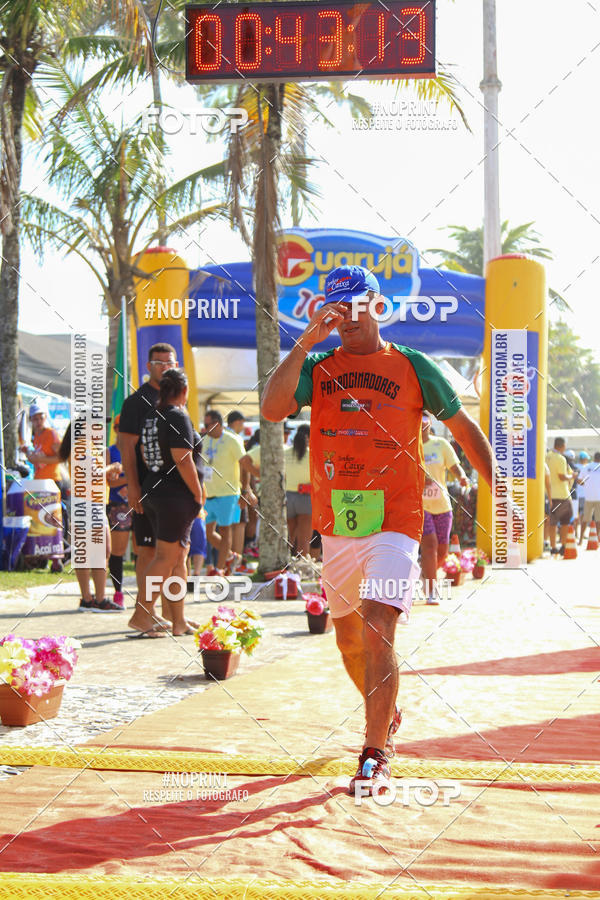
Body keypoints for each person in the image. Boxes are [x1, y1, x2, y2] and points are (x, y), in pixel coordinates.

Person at [261, 264, 494, 797]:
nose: (344, 318)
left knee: (377, 626)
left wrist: (494, 485)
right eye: (334, 308)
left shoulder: (414, 366)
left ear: (377, 306)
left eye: (353, 306)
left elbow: (462, 427)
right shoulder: (317, 365)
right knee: (348, 643)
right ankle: (385, 713)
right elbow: (272, 410)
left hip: (397, 520)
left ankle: (374, 753)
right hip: (338, 523)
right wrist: (304, 342)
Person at [119, 342, 178, 636]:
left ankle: (171, 615)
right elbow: (126, 446)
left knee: (174, 554)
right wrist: (131, 486)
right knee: (147, 552)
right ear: (148, 366)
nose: (165, 367)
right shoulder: (136, 401)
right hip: (147, 489)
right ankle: (146, 613)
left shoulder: (175, 399)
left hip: (175, 492)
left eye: (170, 363)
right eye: (159, 363)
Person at [140, 368, 203, 636]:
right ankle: (141, 613)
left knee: (179, 558)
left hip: (156, 491)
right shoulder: (177, 415)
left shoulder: (152, 416)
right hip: (174, 496)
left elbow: (147, 454)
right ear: (184, 391)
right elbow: (182, 458)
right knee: (167, 558)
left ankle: (179, 621)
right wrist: (198, 492)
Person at [58, 424, 116, 611]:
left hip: (85, 502)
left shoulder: (82, 445)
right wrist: (110, 468)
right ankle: (98, 599)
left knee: (85, 552)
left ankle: (88, 598)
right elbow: (92, 474)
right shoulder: (83, 444)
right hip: (88, 503)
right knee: (101, 551)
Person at [420, 413, 468, 606]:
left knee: (442, 550)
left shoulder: (441, 444)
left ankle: (426, 574)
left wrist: (462, 476)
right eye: (418, 419)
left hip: (442, 505)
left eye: (425, 420)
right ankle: (432, 590)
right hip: (420, 505)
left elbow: (454, 466)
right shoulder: (409, 445)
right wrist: (420, 481)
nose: (422, 423)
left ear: (429, 422)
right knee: (429, 545)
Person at [202, 410, 257, 574]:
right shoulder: (204, 441)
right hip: (208, 493)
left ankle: (219, 569)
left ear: (217, 424)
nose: (204, 429)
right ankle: (231, 556)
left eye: (207, 425)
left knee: (225, 530)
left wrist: (244, 491)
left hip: (228, 492)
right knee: (209, 533)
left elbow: (244, 466)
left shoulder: (232, 440)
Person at [105, 414, 131, 610]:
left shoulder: (137, 450)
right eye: (118, 428)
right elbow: (110, 482)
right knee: (117, 552)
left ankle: (147, 594)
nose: (122, 431)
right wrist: (128, 479)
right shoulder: (110, 452)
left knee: (143, 551)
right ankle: (118, 591)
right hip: (117, 505)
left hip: (139, 504)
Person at [285, 424, 312, 557]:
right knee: (304, 540)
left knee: (289, 537)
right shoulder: (312, 455)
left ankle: (285, 564)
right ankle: (301, 565)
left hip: (287, 497)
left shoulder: (284, 453)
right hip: (306, 498)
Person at [545, 437, 575, 554]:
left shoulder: (546, 456)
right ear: (562, 446)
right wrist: (572, 476)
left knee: (552, 523)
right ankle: (563, 545)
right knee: (565, 522)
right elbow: (562, 476)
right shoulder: (561, 458)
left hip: (549, 495)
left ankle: (553, 547)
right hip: (563, 496)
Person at [580, 451, 600, 541]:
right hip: (599, 498)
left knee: (585, 520)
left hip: (588, 497)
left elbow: (579, 480)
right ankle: (598, 539)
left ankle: (580, 539)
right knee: (598, 520)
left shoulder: (586, 467)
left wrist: (586, 485)